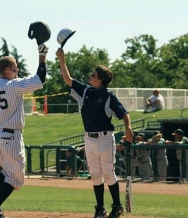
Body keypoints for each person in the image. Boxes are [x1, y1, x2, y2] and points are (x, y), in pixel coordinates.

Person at [0, 43, 49, 218]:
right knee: (16, 178)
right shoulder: (14, 85)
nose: (17, 70)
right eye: (14, 68)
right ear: (7, 70)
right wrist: (42, 56)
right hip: (10, 136)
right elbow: (39, 80)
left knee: (7, 173)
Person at [56, 48, 134, 218]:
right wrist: (62, 59)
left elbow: (124, 113)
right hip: (89, 139)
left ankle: (117, 206)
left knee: (108, 172)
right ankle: (100, 208)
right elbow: (67, 79)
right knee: (95, 175)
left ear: (101, 80)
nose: (90, 76)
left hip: (105, 138)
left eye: (93, 75)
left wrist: (128, 128)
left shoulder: (108, 96)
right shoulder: (85, 91)